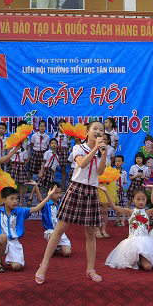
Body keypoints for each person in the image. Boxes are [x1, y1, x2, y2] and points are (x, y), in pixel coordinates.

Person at [34, 121, 107, 284]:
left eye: (101, 130)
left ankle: (91, 269)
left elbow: (100, 171)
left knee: (90, 233)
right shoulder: (78, 148)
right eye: (95, 129)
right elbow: (82, 163)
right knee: (60, 228)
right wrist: (95, 148)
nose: (98, 132)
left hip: (91, 191)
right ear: (87, 132)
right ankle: (43, 266)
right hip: (76, 189)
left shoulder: (102, 151)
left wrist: (104, 154)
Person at [102, 184, 153, 270]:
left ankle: (141, 258)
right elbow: (114, 207)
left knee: (148, 267)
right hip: (132, 243)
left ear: (146, 200)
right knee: (140, 264)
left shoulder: (149, 212)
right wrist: (106, 192)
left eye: (143, 199)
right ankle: (137, 258)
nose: (141, 202)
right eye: (138, 199)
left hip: (146, 242)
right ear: (133, 200)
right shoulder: (130, 212)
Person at [0, 185, 55, 272]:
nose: (15, 201)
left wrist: (48, 196)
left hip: (14, 242)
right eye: (12, 199)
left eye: (16, 199)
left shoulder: (20, 211)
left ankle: (11, 258)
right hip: (1, 241)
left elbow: (36, 208)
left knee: (16, 267)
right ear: (4, 200)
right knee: (3, 237)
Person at [34, 181, 72, 257]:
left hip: (60, 231)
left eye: (60, 193)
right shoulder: (46, 204)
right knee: (53, 237)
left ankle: (56, 248)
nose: (59, 195)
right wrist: (36, 186)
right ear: (50, 192)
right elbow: (40, 200)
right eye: (56, 193)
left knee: (67, 253)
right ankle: (52, 247)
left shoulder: (61, 203)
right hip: (50, 231)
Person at [125, 153, 150, 221]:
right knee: (129, 201)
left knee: (139, 202)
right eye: (137, 158)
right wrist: (137, 175)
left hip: (141, 184)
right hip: (134, 184)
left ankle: (138, 218)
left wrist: (143, 177)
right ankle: (124, 218)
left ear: (143, 159)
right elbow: (130, 177)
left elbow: (148, 178)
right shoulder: (133, 167)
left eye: (140, 158)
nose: (138, 160)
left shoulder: (146, 168)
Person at [8, 137, 30, 206]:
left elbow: (25, 160)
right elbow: (9, 159)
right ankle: (11, 200)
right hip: (13, 167)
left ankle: (20, 201)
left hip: (20, 167)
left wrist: (23, 167)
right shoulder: (12, 150)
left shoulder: (24, 151)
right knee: (11, 185)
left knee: (20, 185)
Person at [27, 120, 49, 186]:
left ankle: (39, 187)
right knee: (31, 171)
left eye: (43, 126)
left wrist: (43, 153)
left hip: (43, 154)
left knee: (41, 171)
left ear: (45, 127)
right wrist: (35, 150)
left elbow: (47, 146)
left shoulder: (47, 137)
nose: (42, 127)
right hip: (35, 154)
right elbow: (32, 144)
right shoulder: (34, 135)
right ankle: (27, 186)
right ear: (38, 127)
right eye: (41, 126)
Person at [53, 120, 70, 190]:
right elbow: (53, 143)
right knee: (54, 168)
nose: (61, 127)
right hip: (56, 151)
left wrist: (64, 150)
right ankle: (53, 186)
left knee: (63, 170)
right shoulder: (55, 134)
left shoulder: (67, 135)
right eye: (60, 125)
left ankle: (63, 186)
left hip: (64, 152)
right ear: (58, 126)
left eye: (63, 125)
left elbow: (69, 144)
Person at [113, 155, 128, 227]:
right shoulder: (112, 171)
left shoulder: (124, 172)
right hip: (113, 189)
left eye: (119, 161)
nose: (117, 163)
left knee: (119, 205)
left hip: (120, 189)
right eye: (116, 161)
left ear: (123, 162)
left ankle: (117, 220)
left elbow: (124, 182)